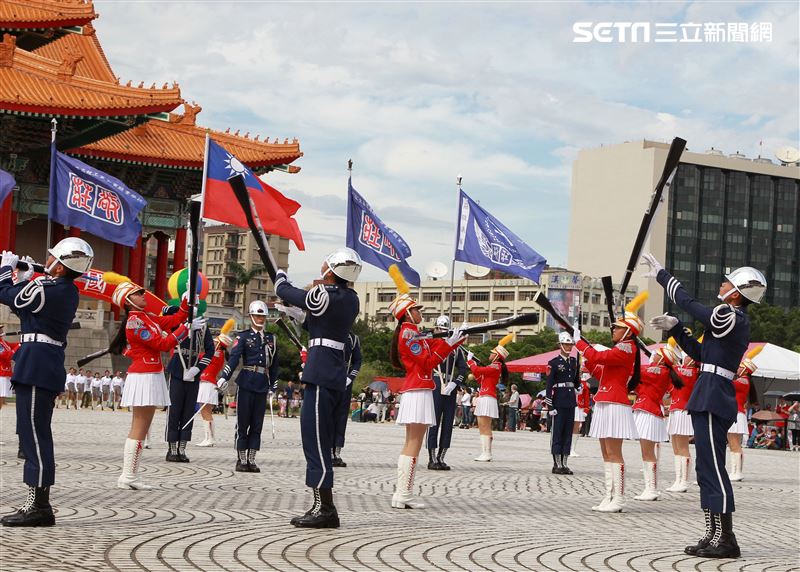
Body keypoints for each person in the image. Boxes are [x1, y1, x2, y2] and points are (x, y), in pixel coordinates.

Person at [643, 254, 766, 559]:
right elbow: (700, 352)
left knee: (713, 468)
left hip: (715, 394)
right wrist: (676, 330)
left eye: (727, 282)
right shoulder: (726, 318)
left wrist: (664, 277)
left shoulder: (732, 316)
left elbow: (696, 308)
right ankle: (713, 534)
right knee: (704, 468)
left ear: (736, 293)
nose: (721, 284)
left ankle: (727, 538)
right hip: (707, 390)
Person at [0, 238, 93, 526]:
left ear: (62, 266)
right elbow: (25, 310)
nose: (46, 260)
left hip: (39, 362)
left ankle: (39, 506)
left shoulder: (53, 288)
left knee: (36, 436)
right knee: (31, 434)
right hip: (38, 360)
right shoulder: (56, 289)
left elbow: (6, 294)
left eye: (52, 257)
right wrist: (25, 279)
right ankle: (36, 502)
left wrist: (6, 270)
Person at [274, 248, 361, 528]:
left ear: (332, 270)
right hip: (331, 371)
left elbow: (288, 292)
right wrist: (298, 316)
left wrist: (280, 277)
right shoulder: (350, 298)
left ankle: (325, 508)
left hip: (321, 373)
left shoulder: (324, 294)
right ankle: (322, 504)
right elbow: (318, 323)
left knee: (315, 442)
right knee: (319, 440)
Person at [388, 275, 465, 509]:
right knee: (414, 443)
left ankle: (402, 493)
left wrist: (453, 340)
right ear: (407, 314)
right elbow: (428, 361)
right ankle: (403, 494)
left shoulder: (412, 332)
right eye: (416, 310)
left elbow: (430, 346)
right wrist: (450, 344)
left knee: (413, 442)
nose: (420, 313)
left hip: (418, 388)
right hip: (418, 388)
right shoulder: (409, 334)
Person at [106, 274, 189, 490]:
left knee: (142, 427)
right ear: (128, 300)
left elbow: (171, 320)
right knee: (140, 427)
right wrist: (186, 330)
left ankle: (130, 474)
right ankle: (128, 476)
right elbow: (162, 343)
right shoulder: (135, 322)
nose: (143, 294)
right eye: (138, 293)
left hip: (150, 373)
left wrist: (186, 303)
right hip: (144, 375)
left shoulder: (147, 317)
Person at [575, 303, 643, 513]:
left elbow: (602, 357)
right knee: (606, 452)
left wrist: (582, 345)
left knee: (614, 453)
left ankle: (619, 498)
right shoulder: (621, 349)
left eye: (617, 327)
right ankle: (609, 495)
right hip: (606, 400)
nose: (613, 329)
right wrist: (588, 361)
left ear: (629, 331)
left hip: (615, 403)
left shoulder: (626, 347)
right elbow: (602, 370)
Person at [218, 300, 279, 473]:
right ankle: (241, 459)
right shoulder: (243, 337)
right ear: (251, 316)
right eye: (257, 315)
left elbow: (275, 365)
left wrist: (273, 387)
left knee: (257, 424)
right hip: (246, 382)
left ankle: (252, 459)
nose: (260, 319)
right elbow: (234, 358)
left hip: (261, 383)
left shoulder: (271, 339)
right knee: (243, 422)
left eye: (263, 316)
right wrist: (224, 377)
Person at [163, 302, 214, 463]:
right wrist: (183, 316)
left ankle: (182, 448)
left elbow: (210, 350)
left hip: (193, 373)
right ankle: (172, 448)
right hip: (178, 369)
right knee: (175, 411)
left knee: (188, 413)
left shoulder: (203, 327)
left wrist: (198, 368)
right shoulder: (178, 322)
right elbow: (165, 314)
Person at [631, 344, 678, 501]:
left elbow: (637, 371)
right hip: (647, 409)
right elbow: (638, 384)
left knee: (648, 453)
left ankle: (651, 489)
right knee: (646, 452)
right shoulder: (660, 371)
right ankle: (650, 488)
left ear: (662, 360)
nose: (653, 355)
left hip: (648, 411)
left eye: (657, 354)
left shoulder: (659, 370)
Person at [426, 315, 467, 470]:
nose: (442, 332)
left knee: (448, 422)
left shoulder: (455, 348)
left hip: (450, 384)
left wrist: (456, 382)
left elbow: (463, 368)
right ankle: (431, 457)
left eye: (445, 330)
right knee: (433, 421)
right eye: (440, 329)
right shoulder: (432, 344)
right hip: (436, 382)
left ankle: (441, 457)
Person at [467, 335, 512, 463]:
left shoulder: (496, 366)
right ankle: (485, 452)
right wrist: (473, 364)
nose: (490, 354)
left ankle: (486, 453)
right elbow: (478, 375)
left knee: (484, 425)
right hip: (484, 396)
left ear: (497, 356)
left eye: (493, 353)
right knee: (482, 425)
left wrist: (470, 361)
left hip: (487, 397)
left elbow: (477, 370)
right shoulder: (494, 366)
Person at [196, 320, 235, 447]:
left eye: (215, 342)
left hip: (207, 382)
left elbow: (200, 355)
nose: (212, 343)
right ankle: (208, 437)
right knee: (206, 412)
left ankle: (210, 438)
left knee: (205, 412)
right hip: (207, 382)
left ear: (219, 344)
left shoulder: (216, 353)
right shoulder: (219, 354)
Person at [666, 344, 699, 493]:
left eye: (685, 357)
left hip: (683, 411)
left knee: (682, 447)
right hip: (675, 409)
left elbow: (672, 367)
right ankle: (678, 479)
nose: (682, 359)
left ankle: (684, 480)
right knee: (675, 446)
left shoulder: (691, 371)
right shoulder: (681, 370)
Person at [545, 332, 579, 474]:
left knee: (567, 434)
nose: (568, 347)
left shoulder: (573, 362)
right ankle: (557, 464)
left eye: (570, 344)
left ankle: (565, 463)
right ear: (560, 345)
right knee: (557, 433)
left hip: (570, 401)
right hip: (558, 401)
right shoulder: (553, 363)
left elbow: (575, 379)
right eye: (566, 344)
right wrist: (550, 405)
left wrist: (578, 386)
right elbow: (549, 385)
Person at [728, 348, 761, 482]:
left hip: (736, 414)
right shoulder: (744, 380)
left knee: (735, 444)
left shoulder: (743, 380)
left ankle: (738, 471)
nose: (738, 368)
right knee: (732, 443)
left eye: (740, 367)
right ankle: (734, 470)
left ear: (745, 370)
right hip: (735, 413)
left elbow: (728, 383)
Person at [332, 331, 361, 467]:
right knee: (327, 417)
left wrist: (350, 378)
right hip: (329, 380)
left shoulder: (353, 339)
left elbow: (357, 360)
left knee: (341, 417)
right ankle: (326, 450)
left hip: (345, 381)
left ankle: (337, 451)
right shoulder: (329, 332)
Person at [0, 324, 20, 411]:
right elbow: (7, 355)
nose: (2, 331)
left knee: (2, 397)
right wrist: (19, 345)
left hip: (5, 372)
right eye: (0, 330)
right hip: (1, 373)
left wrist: (22, 340)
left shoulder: (3, 342)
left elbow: (13, 345)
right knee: (0, 396)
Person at [571, 373, 591, 456]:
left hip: (578, 407)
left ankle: (572, 449)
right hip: (568, 405)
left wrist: (586, 409)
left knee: (576, 428)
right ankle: (565, 448)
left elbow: (586, 397)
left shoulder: (584, 385)